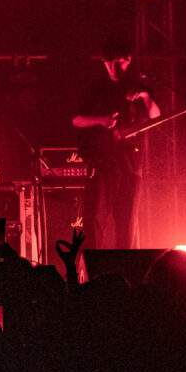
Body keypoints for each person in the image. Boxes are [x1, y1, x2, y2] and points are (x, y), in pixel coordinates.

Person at [71, 36, 160, 249]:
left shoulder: (138, 86)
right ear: (105, 62)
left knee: (127, 221)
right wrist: (102, 120)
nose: (117, 67)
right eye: (112, 63)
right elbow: (76, 119)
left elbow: (156, 116)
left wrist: (145, 96)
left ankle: (126, 265)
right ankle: (94, 264)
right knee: (95, 218)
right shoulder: (95, 88)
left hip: (130, 164)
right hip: (102, 161)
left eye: (121, 62)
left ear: (128, 60)